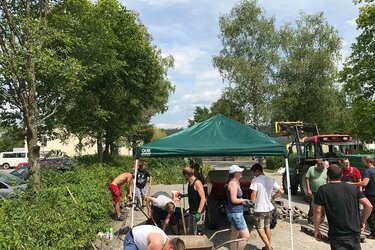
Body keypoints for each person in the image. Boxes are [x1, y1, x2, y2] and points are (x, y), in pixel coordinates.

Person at [314, 164, 373, 249]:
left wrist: (316, 229)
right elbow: (369, 206)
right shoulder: (353, 188)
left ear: (327, 175)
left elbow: (317, 211)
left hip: (338, 235)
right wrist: (363, 221)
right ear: (342, 175)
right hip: (354, 234)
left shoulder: (323, 189)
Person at [250, 163, 284, 250]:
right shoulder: (270, 179)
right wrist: (273, 197)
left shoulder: (255, 180)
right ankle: (267, 246)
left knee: (259, 228)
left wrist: (252, 203)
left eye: (254, 172)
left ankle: (268, 247)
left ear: (257, 171)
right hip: (268, 208)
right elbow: (281, 191)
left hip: (259, 208)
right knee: (267, 227)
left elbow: (254, 193)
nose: (253, 174)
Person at [349, 156, 375, 239]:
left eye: (363, 162)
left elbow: (364, 183)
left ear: (368, 162)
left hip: (370, 196)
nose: (362, 163)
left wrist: (351, 184)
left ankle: (374, 233)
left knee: (369, 214)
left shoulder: (368, 171)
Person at [226, 164, 251, 250]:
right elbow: (233, 200)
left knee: (234, 235)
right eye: (239, 171)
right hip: (236, 213)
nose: (241, 173)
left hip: (234, 212)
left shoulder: (236, 182)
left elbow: (237, 198)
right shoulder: (233, 184)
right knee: (246, 237)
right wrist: (245, 200)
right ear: (235, 173)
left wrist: (244, 202)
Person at [180, 166, 206, 235]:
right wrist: (183, 195)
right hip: (191, 211)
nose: (184, 177)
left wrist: (199, 212)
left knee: (197, 233)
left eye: (184, 176)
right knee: (191, 231)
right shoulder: (190, 182)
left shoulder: (197, 183)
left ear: (186, 175)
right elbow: (192, 193)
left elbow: (203, 198)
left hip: (197, 212)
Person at [305, 159, 327, 224]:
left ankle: (321, 220)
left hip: (323, 192)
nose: (323, 169)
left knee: (323, 207)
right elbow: (307, 178)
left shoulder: (325, 170)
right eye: (322, 168)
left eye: (324, 167)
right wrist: (308, 189)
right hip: (313, 191)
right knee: (312, 206)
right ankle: (310, 218)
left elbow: (328, 179)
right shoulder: (311, 169)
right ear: (318, 166)